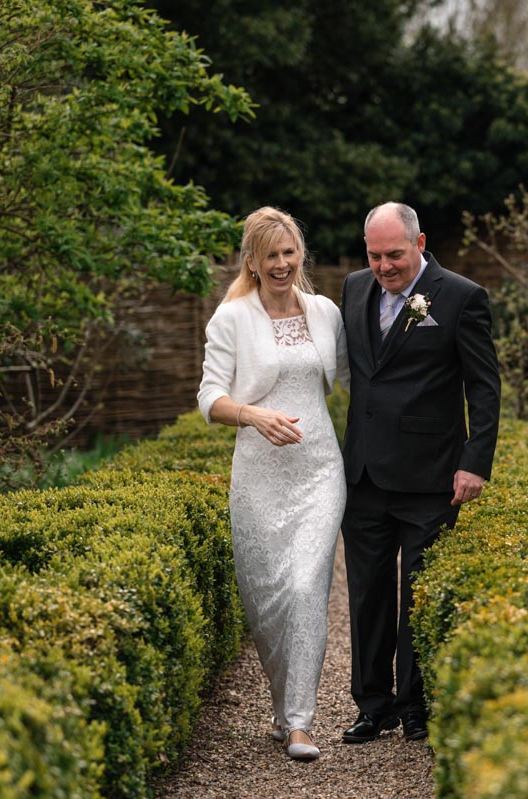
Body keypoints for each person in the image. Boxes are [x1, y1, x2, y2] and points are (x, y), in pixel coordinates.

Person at [338, 201, 500, 744]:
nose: (384, 266)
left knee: (417, 592)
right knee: (366, 592)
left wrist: (474, 462)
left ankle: (414, 706)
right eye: (375, 255)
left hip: (430, 476)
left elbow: (483, 386)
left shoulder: (461, 297)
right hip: (362, 473)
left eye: (395, 255)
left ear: (421, 243)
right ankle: (372, 704)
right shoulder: (354, 288)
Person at [197, 206, 349, 761]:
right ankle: (281, 705)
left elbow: (363, 378)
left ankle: (300, 723)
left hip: (318, 470)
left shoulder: (326, 312)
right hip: (258, 474)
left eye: (290, 252)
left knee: (307, 585)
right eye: (271, 256)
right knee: (267, 598)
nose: (282, 263)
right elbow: (209, 398)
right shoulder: (232, 317)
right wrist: (254, 416)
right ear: (253, 262)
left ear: (300, 254)